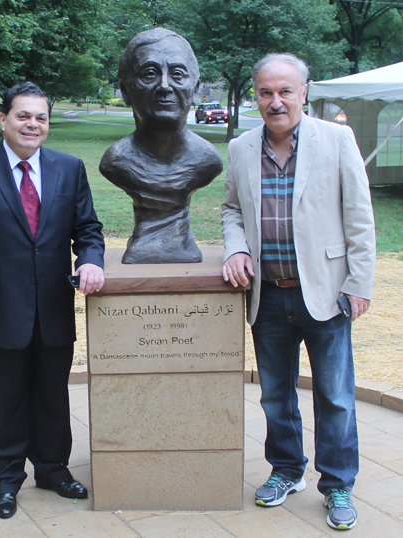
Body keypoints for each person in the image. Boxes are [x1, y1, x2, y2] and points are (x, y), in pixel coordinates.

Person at [221, 53, 375, 531]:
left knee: (334, 396)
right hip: (268, 295)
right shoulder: (242, 147)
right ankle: (287, 470)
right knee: (275, 395)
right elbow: (230, 210)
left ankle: (337, 484)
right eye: (266, 92)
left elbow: (360, 216)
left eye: (286, 91)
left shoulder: (336, 139)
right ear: (256, 94)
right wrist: (235, 249)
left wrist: (359, 282)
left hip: (327, 293)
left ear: (304, 93)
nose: (276, 101)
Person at [0, 82, 105, 519]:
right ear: (3, 119)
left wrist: (91, 260)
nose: (33, 124)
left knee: (52, 396)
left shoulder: (69, 168)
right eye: (23, 115)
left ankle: (52, 470)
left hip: (53, 306)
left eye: (41, 117)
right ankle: (4, 481)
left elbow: (88, 229)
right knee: (4, 400)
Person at [100, 28, 222, 264]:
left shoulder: (209, 160)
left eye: (177, 74)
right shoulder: (114, 161)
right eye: (149, 74)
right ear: (126, 91)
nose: (165, 85)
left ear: (195, 89)